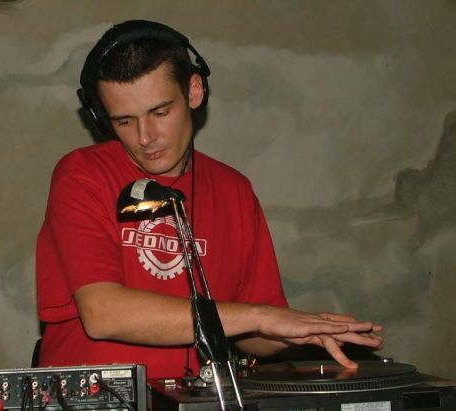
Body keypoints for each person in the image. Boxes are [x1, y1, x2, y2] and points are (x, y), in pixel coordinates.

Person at [36, 20, 382, 379]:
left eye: (160, 112)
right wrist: (260, 317)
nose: (145, 137)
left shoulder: (234, 190)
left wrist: (298, 331)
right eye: (124, 121)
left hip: (196, 398)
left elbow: (253, 335)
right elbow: (103, 314)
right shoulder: (81, 175)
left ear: (194, 91)